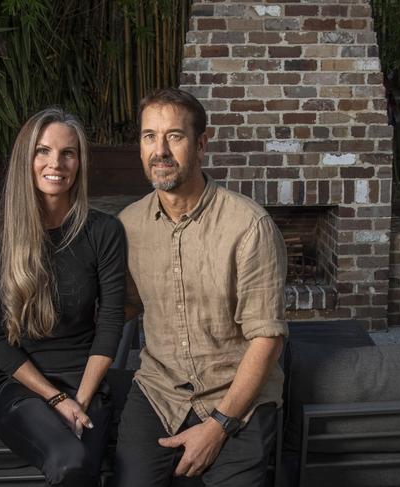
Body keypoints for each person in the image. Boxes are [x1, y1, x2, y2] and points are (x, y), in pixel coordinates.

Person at [115, 88, 288, 487]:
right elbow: (123, 307)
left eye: (174, 136)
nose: (160, 150)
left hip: (236, 393)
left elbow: (267, 339)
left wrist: (218, 426)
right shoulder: (128, 225)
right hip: (159, 389)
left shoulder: (249, 226)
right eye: (149, 136)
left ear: (201, 143)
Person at [0, 108, 126, 487]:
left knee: (83, 464)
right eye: (43, 151)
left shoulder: (104, 231)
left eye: (68, 153)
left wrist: (82, 399)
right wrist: (57, 400)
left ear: (80, 162)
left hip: (85, 380)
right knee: (70, 459)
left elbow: (109, 325)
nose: (55, 163)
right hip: (20, 384)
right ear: (27, 158)